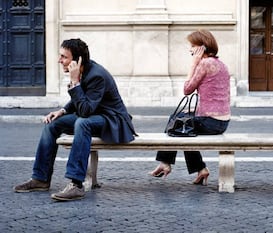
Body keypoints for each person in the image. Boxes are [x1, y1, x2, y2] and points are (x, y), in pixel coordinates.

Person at [14, 38, 136, 201]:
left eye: (64, 57)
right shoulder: (85, 71)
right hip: (95, 115)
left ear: (77, 60)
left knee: (82, 123)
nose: (60, 60)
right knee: (53, 124)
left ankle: (76, 184)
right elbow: (81, 100)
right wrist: (62, 111)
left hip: (113, 120)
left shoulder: (96, 75)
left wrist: (74, 81)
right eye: (60, 56)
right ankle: (40, 178)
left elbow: (85, 111)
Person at [149, 29, 231, 185]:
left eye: (193, 46)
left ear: (202, 48)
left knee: (179, 124)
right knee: (184, 123)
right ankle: (199, 169)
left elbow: (187, 90)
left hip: (212, 121)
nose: (190, 50)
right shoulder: (221, 64)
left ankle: (166, 163)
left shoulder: (205, 63)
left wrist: (194, 64)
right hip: (222, 121)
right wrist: (195, 111)